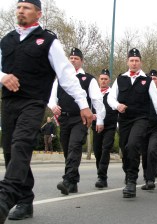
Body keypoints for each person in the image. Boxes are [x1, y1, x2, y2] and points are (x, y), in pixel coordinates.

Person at [0, 0, 93, 222]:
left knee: (22, 145)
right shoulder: (7, 39)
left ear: (38, 14)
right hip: (9, 103)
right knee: (12, 153)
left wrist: (83, 104)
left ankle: (4, 199)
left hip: (33, 103)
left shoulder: (48, 41)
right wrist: (3, 77)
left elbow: (66, 76)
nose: (21, 11)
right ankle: (25, 200)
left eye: (26, 7)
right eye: (18, 7)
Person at [107, 48, 157, 198]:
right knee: (125, 149)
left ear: (140, 62)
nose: (134, 63)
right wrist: (117, 106)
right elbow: (110, 98)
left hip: (141, 119)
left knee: (133, 145)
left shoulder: (147, 81)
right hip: (124, 120)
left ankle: (131, 182)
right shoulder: (120, 79)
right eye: (131, 60)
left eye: (136, 61)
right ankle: (128, 173)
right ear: (127, 62)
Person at [48, 47, 105, 195]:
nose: (73, 60)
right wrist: (53, 106)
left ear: (81, 61)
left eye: (76, 58)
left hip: (80, 119)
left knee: (74, 147)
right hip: (64, 119)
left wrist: (100, 119)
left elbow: (97, 99)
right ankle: (73, 182)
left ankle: (67, 180)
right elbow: (51, 97)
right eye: (71, 58)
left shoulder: (89, 79)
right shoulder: (60, 78)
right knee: (67, 150)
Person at [141, 69, 157, 190]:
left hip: (156, 128)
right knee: (145, 153)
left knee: (152, 150)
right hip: (143, 126)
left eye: (154, 79)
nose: (152, 81)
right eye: (150, 79)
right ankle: (147, 177)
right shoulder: (143, 94)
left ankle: (151, 179)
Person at [93, 69, 118, 189]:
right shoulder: (94, 93)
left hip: (110, 126)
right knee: (97, 151)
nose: (103, 81)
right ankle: (101, 175)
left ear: (109, 80)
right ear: (99, 80)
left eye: (105, 79)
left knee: (105, 148)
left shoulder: (113, 93)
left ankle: (102, 176)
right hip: (96, 126)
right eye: (101, 79)